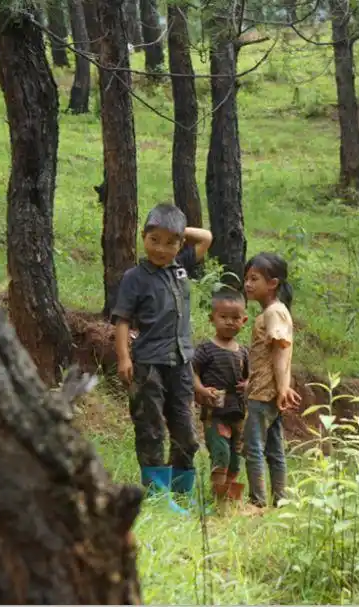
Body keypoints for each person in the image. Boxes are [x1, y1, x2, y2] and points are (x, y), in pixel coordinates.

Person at [110, 204, 212, 510]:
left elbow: (206, 237)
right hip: (148, 364)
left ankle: (183, 494)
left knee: (185, 430)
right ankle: (158, 496)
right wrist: (124, 358)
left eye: (170, 242)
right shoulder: (134, 277)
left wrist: (178, 230)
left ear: (180, 244)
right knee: (151, 428)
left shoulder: (180, 266)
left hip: (180, 363)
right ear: (143, 237)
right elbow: (122, 320)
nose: (161, 249)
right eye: (154, 239)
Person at [242, 252, 302, 508]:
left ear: (273, 283)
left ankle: (257, 502)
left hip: (263, 392)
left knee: (253, 447)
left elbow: (279, 352)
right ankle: (281, 501)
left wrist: (281, 387)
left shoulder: (273, 313)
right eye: (246, 278)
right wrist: (283, 388)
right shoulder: (278, 310)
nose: (247, 284)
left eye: (254, 279)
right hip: (269, 390)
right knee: (274, 449)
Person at [192, 287, 250, 503]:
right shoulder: (206, 348)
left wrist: (248, 385)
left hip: (238, 414)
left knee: (236, 460)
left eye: (235, 318)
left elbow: (250, 376)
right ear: (212, 318)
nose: (229, 322)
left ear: (244, 320)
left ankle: (230, 501)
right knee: (221, 455)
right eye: (223, 317)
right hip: (215, 413)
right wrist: (200, 389)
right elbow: (192, 371)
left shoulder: (243, 351)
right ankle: (218, 502)